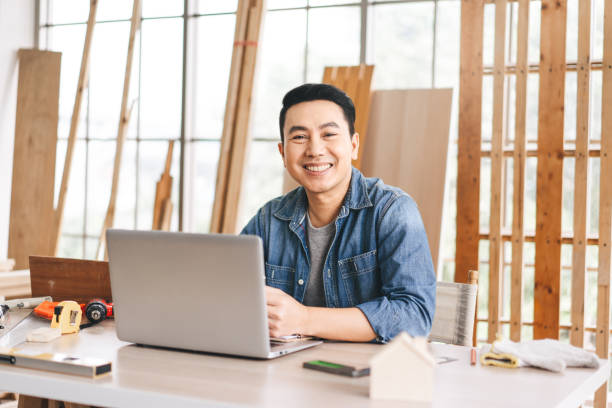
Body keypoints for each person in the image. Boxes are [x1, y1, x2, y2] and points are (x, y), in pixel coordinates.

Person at [241, 83, 435, 343]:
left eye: (329, 134)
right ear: (283, 152)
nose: (315, 150)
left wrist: (304, 319)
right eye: (299, 137)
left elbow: (415, 315)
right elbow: (228, 293)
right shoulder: (270, 219)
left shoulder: (393, 211)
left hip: (365, 375)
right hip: (284, 371)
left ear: (353, 145)